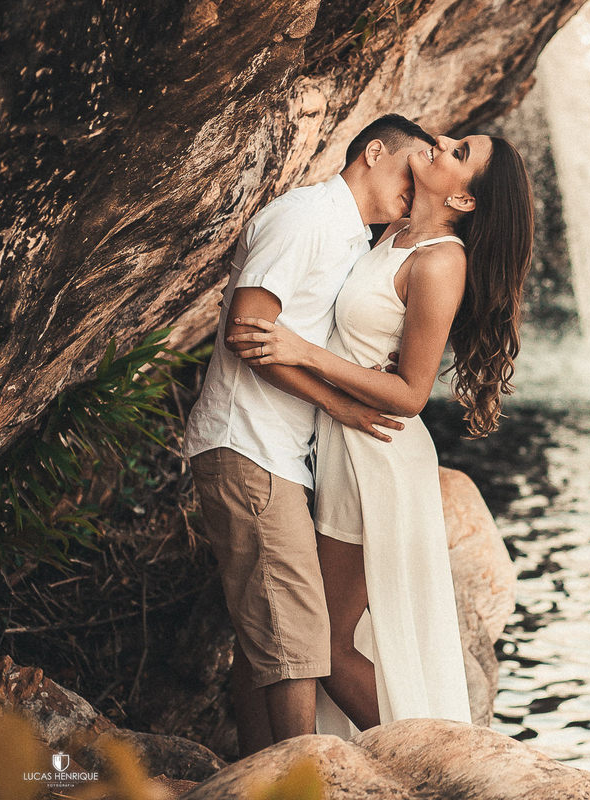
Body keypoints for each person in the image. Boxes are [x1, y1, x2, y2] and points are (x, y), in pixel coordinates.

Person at [226, 132, 534, 735]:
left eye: (460, 152)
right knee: (294, 629)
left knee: (325, 644)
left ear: (466, 201)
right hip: (340, 444)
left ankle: (436, 761)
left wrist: (303, 352)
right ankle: (271, 769)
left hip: (378, 456)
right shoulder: (392, 234)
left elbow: (412, 394)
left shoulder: (442, 259)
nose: (441, 141)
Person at [182, 115, 437, 755]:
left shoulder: (353, 239)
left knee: (271, 639)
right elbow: (249, 329)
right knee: (297, 640)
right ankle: (305, 784)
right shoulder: (306, 218)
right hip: (249, 445)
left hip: (279, 454)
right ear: (373, 152)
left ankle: (263, 773)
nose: (418, 186)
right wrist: (340, 405)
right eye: (411, 169)